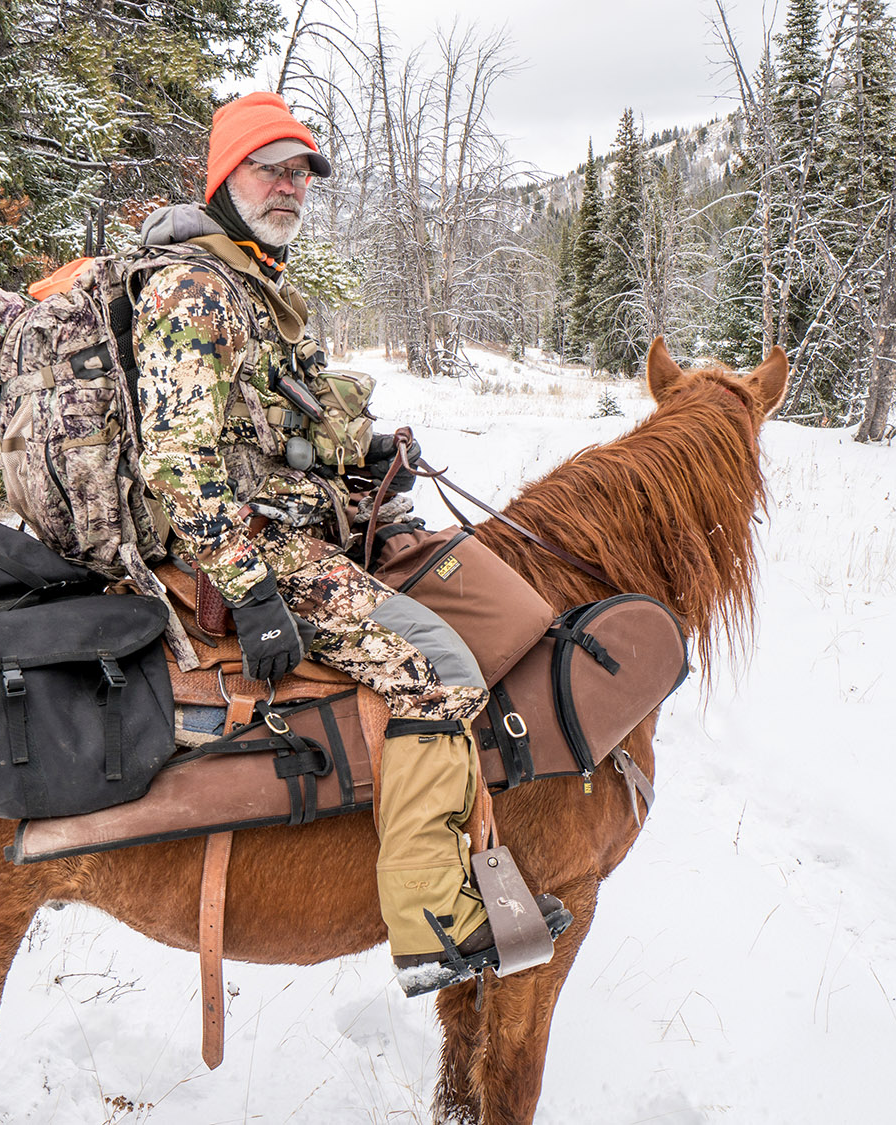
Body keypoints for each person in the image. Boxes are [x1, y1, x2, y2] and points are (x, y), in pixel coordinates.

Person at [129, 92, 562, 991]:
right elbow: (176, 457)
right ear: (223, 174)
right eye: (269, 167)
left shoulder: (252, 277)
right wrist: (249, 588)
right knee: (437, 661)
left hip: (281, 517)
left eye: (301, 173)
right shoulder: (194, 286)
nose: (289, 186)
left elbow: (260, 425)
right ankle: (437, 920)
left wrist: (358, 455)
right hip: (246, 543)